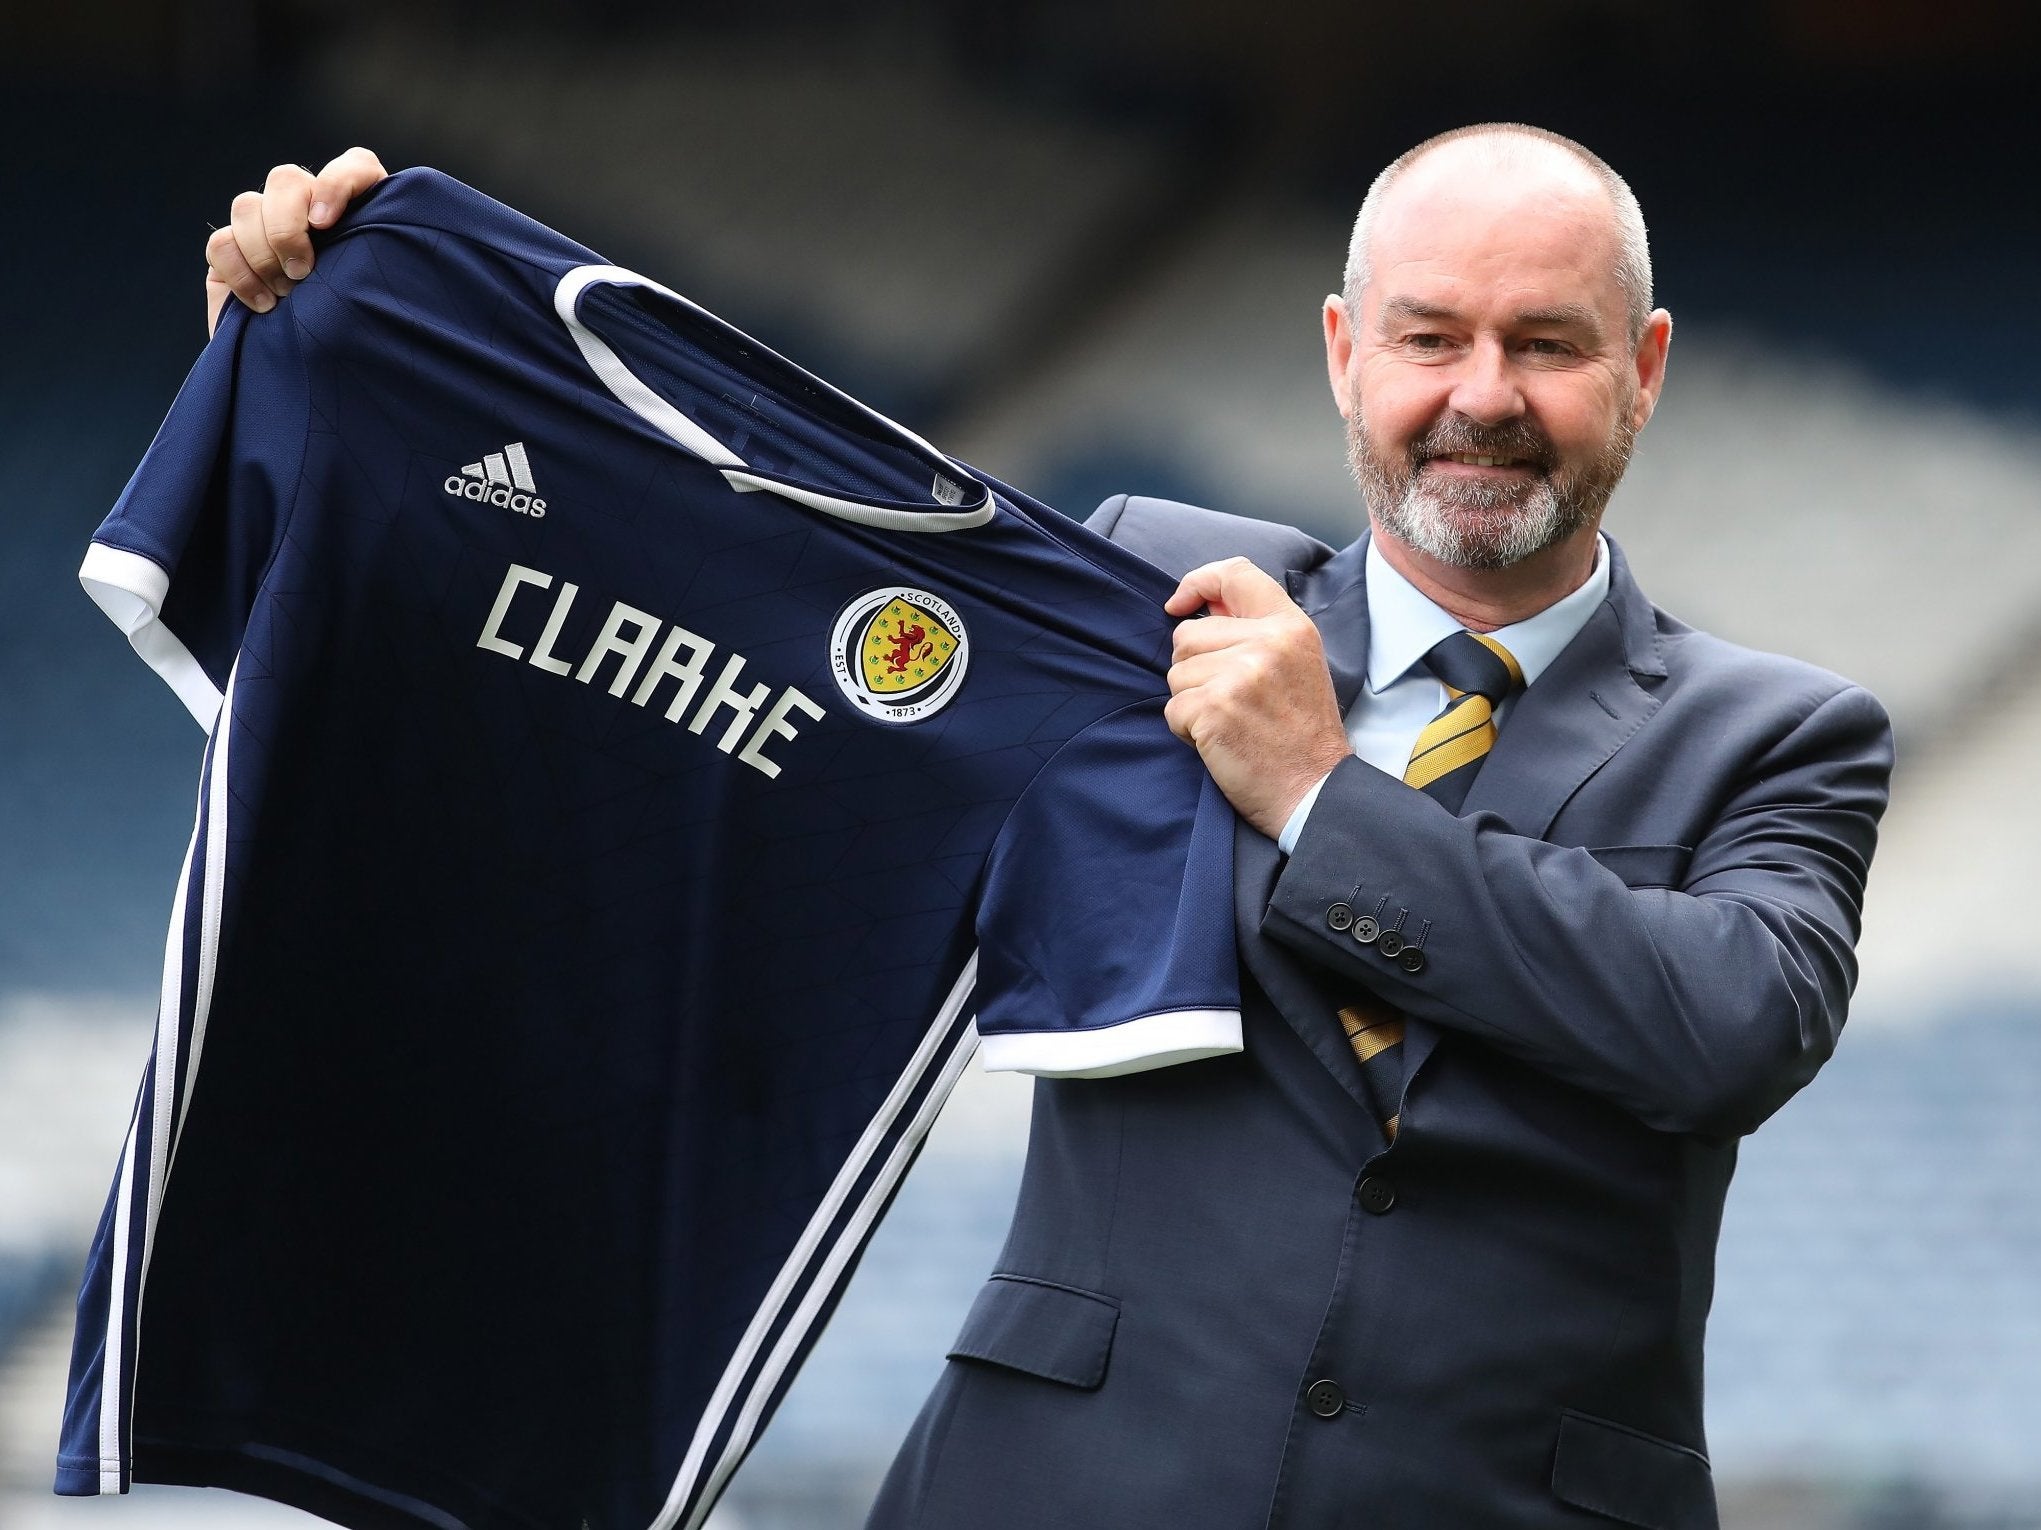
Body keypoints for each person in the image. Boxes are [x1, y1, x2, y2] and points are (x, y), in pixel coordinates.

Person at [203, 124, 1891, 1528]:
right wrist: (358, 343)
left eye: (1546, 343)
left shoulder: (1780, 735)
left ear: (1646, 368)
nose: (1480, 393)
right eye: (1430, 335)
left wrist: (1318, 792)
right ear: (1340, 351)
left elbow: (1720, 1024)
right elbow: (701, 585)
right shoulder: (1132, 592)